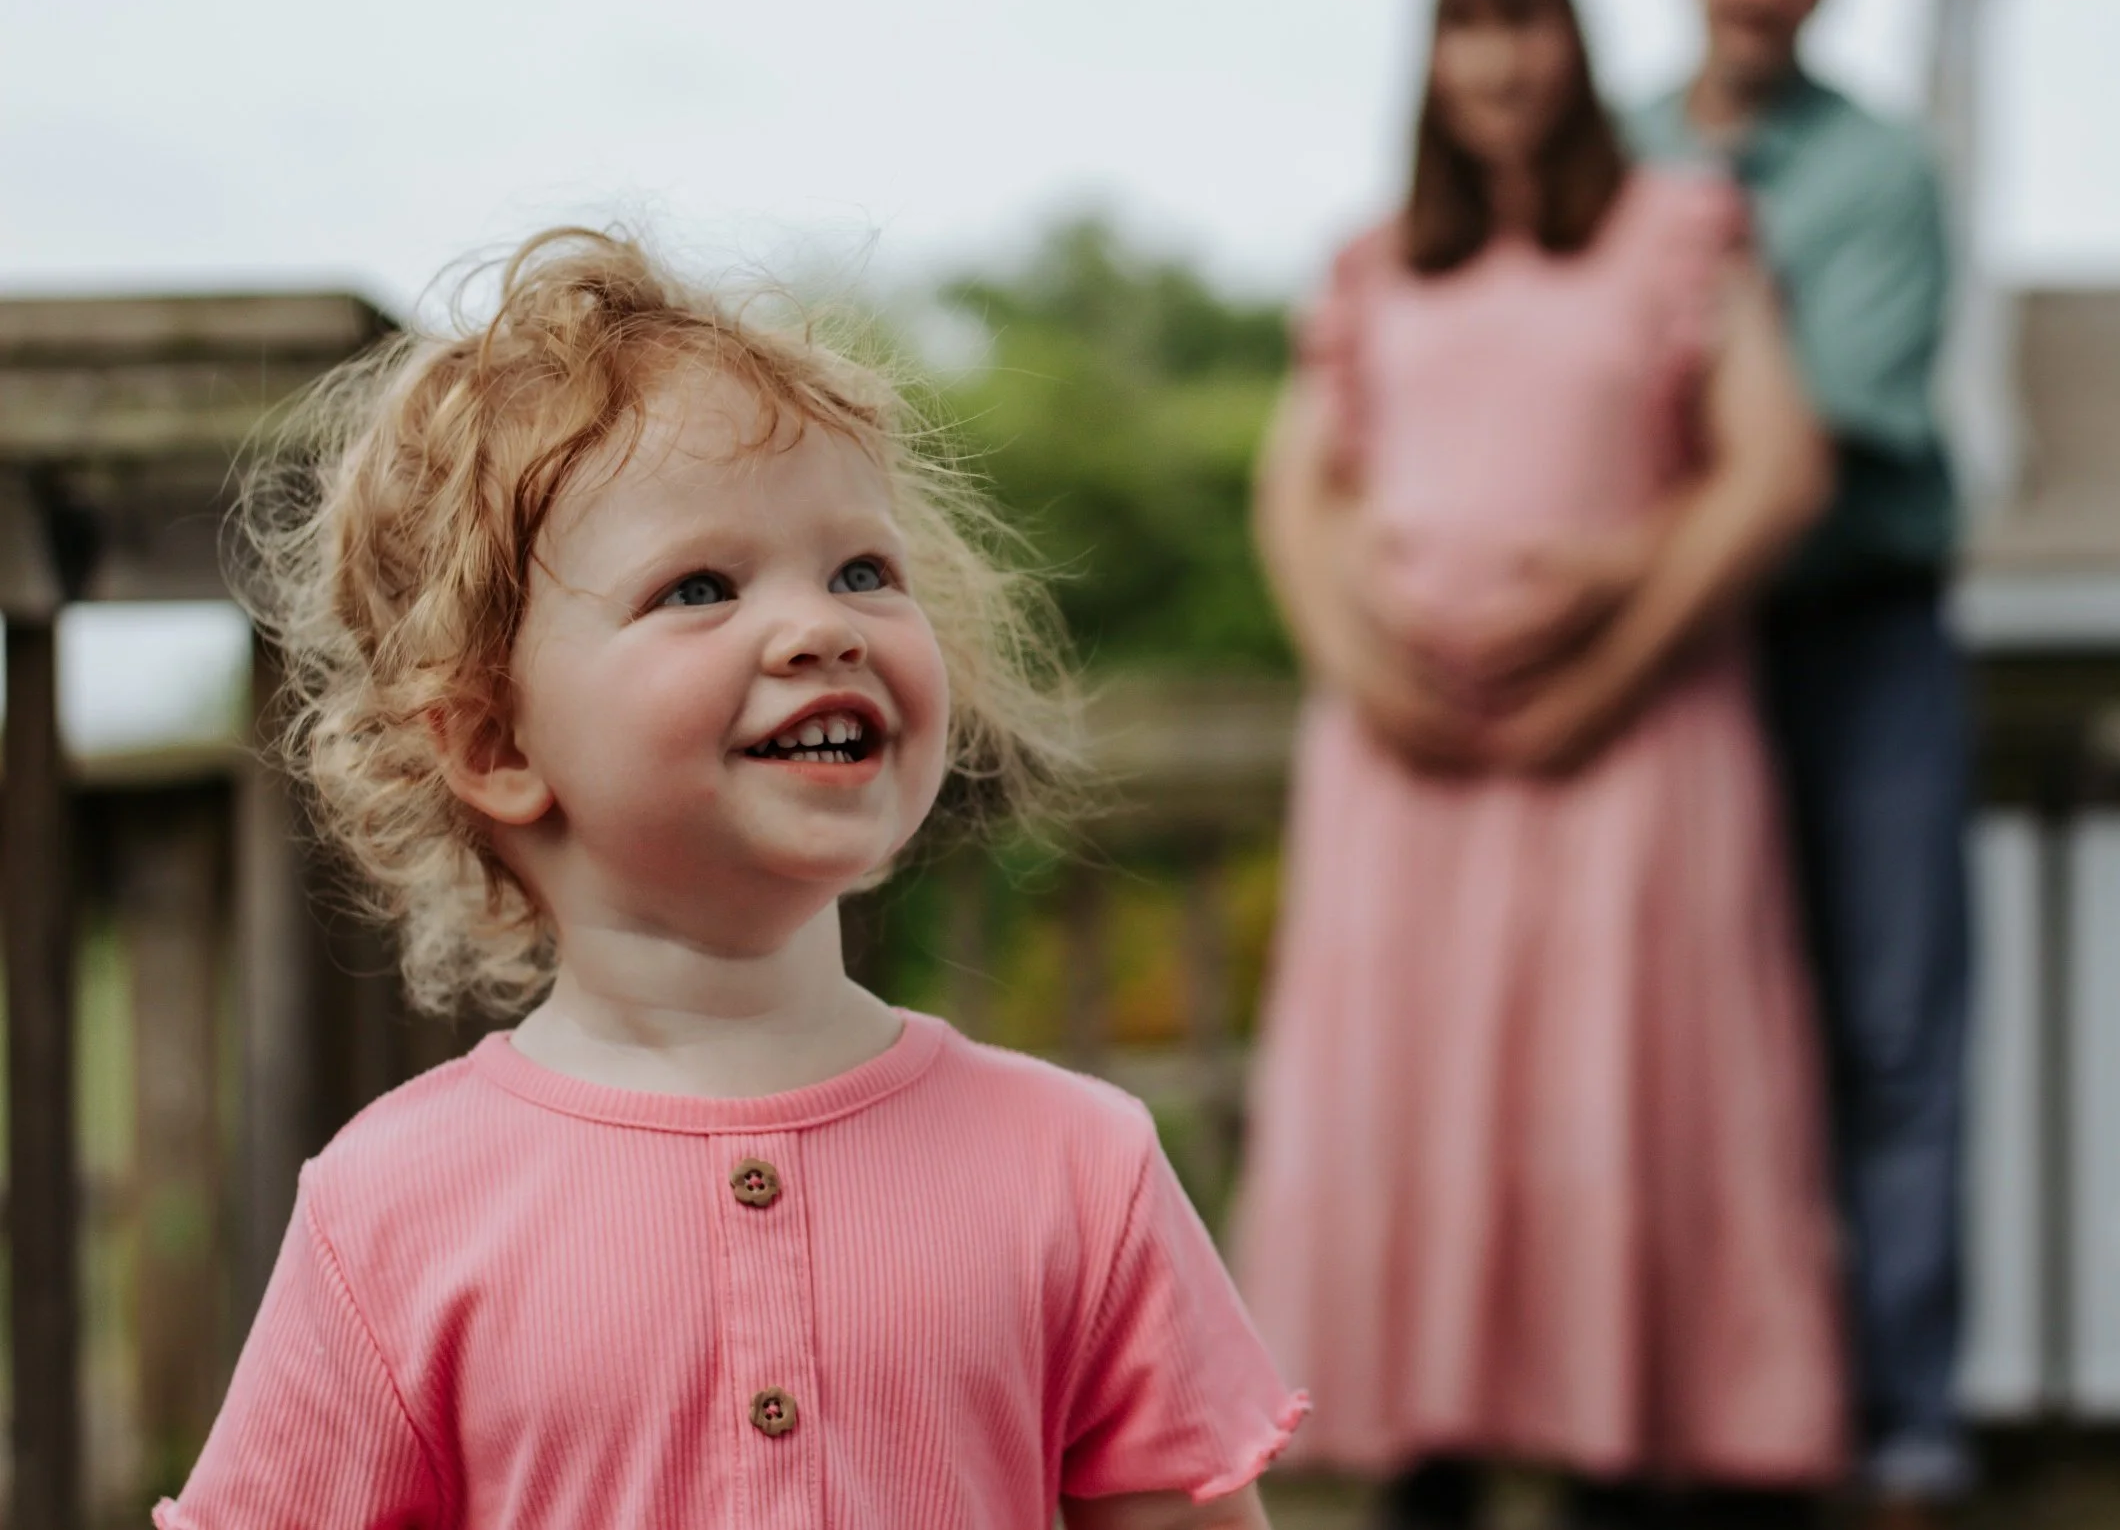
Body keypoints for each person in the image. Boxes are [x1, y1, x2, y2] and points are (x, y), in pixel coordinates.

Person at [159, 230, 1305, 1529]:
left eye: (863, 570)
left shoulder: (1079, 1169)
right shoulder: (390, 1210)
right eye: (701, 586)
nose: (822, 624)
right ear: (495, 738)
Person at [1233, 0, 1845, 1530]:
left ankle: (1616, 1462)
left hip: (1632, 754)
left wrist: (1613, 659)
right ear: (1432, 61)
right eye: (1466, 28)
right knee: (1419, 1099)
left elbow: (1770, 471)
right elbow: (1296, 500)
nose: (1500, 60)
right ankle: (1424, 1465)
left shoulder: (1683, 228)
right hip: (1405, 769)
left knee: (1611, 1088)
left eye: (1527, 25)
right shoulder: (1374, 263)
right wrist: (1364, 674)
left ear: (1578, 46)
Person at [1623, 0, 1975, 1524]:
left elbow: (1813, 430)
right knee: (1687, 1032)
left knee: (1891, 1032)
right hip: (1682, 656)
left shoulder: (1884, 167)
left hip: (1856, 636)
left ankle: (1902, 1424)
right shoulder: (1608, 151)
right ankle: (1714, 1407)